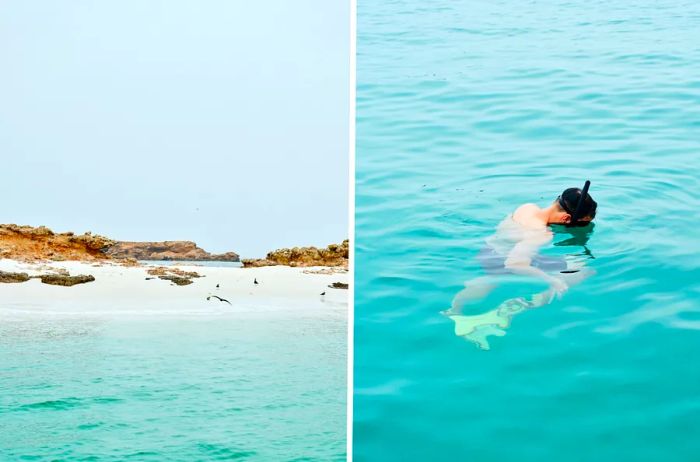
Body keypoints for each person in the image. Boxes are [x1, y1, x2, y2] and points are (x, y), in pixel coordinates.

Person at [442, 182, 597, 350]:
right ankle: (514, 309)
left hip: (488, 252)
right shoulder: (540, 234)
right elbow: (515, 263)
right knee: (580, 272)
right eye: (581, 224)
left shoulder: (527, 208)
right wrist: (552, 280)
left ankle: (454, 311)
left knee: (493, 279)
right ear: (566, 219)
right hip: (505, 263)